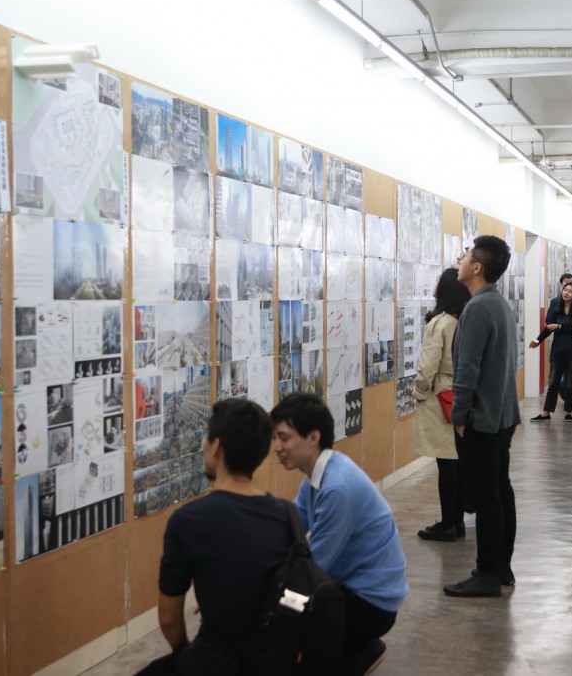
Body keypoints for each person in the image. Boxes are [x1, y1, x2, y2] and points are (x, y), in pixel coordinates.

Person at [138, 399, 292, 676]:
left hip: (218, 660)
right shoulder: (287, 514)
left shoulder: (189, 521)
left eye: (206, 438)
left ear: (216, 447)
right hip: (274, 659)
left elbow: (169, 618)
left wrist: (185, 655)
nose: (202, 445)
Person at [271, 393, 408, 674]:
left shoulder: (337, 487)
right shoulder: (318, 475)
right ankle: (358, 652)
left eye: (284, 438)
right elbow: (290, 530)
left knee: (284, 616)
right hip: (351, 589)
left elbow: (315, 567)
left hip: (370, 604)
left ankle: (357, 651)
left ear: (313, 437)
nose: (277, 447)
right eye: (275, 438)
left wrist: (261, 594)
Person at [443, 235, 521, 598]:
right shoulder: (498, 304)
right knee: (500, 490)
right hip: (501, 416)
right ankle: (501, 567)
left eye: (464, 257)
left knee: (487, 497)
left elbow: (467, 370)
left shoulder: (477, 308)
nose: (458, 262)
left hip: (481, 419)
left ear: (477, 267)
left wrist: (459, 416)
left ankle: (487, 573)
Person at [414, 268, 471, 542]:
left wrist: (419, 390)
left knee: (446, 462)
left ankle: (448, 523)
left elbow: (429, 365)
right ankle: (456, 522)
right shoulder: (464, 319)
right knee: (456, 460)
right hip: (459, 392)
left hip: (440, 394)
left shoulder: (440, 322)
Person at [529, 281, 572, 422]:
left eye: (570, 291)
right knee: (553, 382)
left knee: (569, 383)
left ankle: (568, 411)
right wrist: (538, 340)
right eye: (565, 290)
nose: (566, 293)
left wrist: (560, 326)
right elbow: (549, 327)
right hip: (558, 350)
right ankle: (546, 412)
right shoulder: (557, 307)